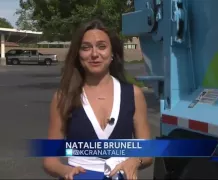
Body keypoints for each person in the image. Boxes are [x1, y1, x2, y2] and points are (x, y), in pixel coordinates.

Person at [43, 19, 153, 179]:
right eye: (86, 48)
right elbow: (50, 161)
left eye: (102, 46)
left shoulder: (133, 94)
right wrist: (65, 171)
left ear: (113, 54)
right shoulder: (63, 97)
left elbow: (147, 153)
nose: (94, 54)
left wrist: (136, 160)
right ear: (78, 55)